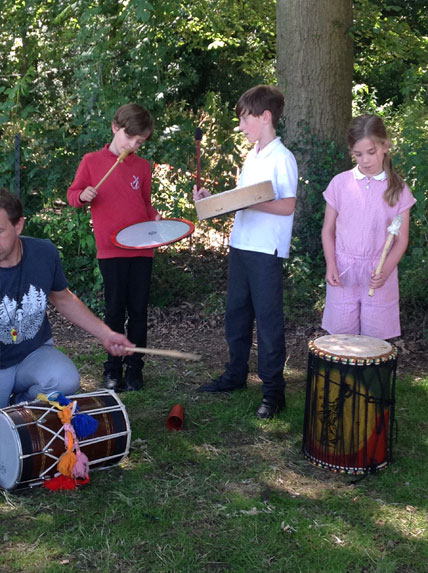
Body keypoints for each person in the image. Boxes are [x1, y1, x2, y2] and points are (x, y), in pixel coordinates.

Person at [193, 85, 298, 419]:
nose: (241, 126)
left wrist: (251, 200)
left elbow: (287, 206)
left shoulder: (282, 158)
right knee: (236, 316)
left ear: (265, 117)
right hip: (240, 245)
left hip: (266, 251)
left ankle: (273, 392)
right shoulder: (252, 155)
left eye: (245, 118)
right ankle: (236, 375)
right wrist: (212, 199)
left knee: (268, 323)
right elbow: (243, 200)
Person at [0, 188, 135, 409]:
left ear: (19, 225)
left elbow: (62, 298)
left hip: (32, 353)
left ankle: (20, 407)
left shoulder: (43, 253)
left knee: (65, 380)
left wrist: (107, 334)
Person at [67, 103, 161, 392]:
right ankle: (112, 369)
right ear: (114, 127)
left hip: (142, 249)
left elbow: (144, 203)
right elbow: (72, 196)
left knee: (139, 311)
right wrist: (83, 194)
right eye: (130, 138)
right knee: (114, 311)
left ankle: (135, 369)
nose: (133, 145)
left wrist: (155, 218)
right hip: (111, 250)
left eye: (140, 141)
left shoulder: (142, 167)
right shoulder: (92, 162)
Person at [321, 114, 416, 340]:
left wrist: (385, 270)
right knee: (342, 341)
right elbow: (328, 230)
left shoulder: (399, 190)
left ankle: (370, 377)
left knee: (375, 342)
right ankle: (345, 377)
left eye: (371, 152)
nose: (365, 160)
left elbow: (401, 239)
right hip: (344, 272)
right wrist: (331, 264)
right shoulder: (340, 183)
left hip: (379, 272)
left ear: (385, 146)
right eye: (358, 154)